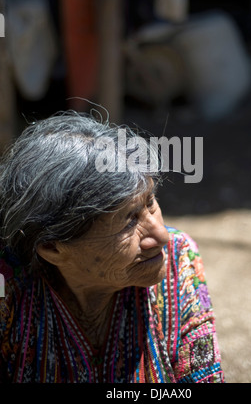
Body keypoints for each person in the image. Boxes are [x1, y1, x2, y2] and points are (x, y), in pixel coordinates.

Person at [0, 111, 224, 383]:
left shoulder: (178, 257)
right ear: (52, 248)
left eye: (150, 201)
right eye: (129, 221)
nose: (161, 235)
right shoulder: (7, 287)